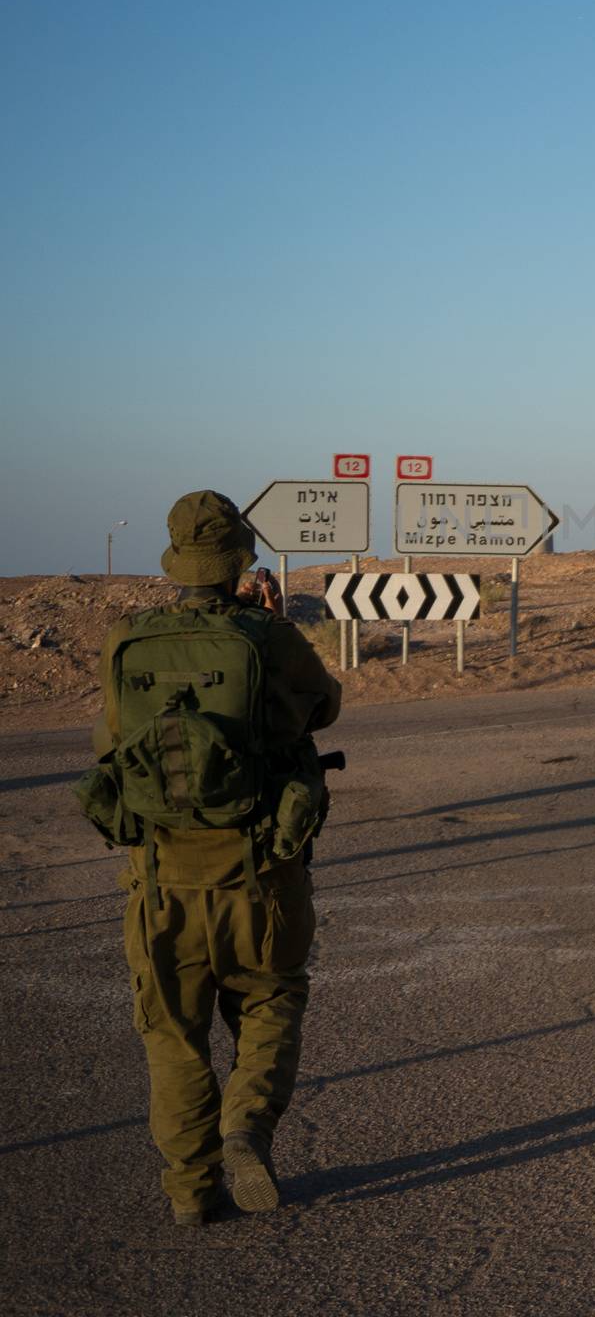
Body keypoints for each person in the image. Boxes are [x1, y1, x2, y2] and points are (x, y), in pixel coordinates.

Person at [75, 490, 341, 1226]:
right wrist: (273, 626)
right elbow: (325, 706)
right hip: (261, 876)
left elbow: (111, 743)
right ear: (239, 562)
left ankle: (191, 1192)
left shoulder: (126, 639)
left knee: (172, 1034)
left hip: (161, 881)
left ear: (177, 561)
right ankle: (245, 1125)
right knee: (272, 997)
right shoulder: (266, 637)